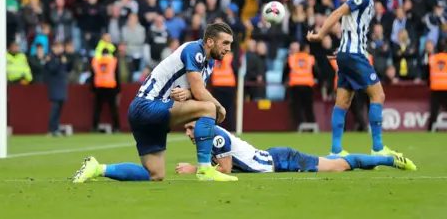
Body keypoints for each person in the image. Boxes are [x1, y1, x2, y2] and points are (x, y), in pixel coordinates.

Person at [72, 22, 238, 183]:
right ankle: (205, 170)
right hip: (149, 106)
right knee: (209, 108)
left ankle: (97, 168)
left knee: (155, 174)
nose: (228, 49)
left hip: (143, 109)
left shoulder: (208, 62)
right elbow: (200, 93)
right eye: (225, 43)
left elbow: (196, 92)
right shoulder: (194, 50)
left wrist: (189, 93)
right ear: (210, 41)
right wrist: (219, 107)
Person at [307, 0, 400, 156]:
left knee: (343, 101)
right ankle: (378, 147)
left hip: (347, 52)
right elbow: (339, 12)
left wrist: (342, 49)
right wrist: (321, 35)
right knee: (378, 95)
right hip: (354, 54)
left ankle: (335, 150)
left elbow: (350, 26)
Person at [176, 122, 416, 174]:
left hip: (281, 161)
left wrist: (193, 169)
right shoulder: (210, 133)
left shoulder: (215, 136)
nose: (188, 134)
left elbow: (226, 170)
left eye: (189, 128)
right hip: (274, 157)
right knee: (328, 160)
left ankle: (390, 159)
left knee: (340, 166)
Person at [90, 48, 120, 132]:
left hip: (99, 87)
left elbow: (93, 75)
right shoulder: (113, 61)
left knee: (97, 109)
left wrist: (92, 88)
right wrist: (118, 89)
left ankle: (94, 127)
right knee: (113, 108)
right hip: (111, 86)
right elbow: (117, 75)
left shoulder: (96, 61)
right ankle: (117, 127)